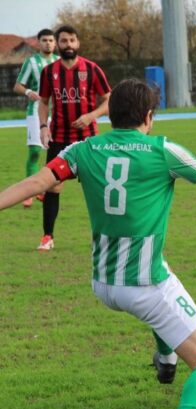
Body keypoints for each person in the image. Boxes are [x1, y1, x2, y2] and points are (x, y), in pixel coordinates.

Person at [0, 78, 196, 409]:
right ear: (149, 117)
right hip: (144, 285)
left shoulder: (83, 149)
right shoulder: (163, 150)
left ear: (110, 115)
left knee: (168, 283)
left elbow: (37, 182)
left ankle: (166, 358)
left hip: (103, 282)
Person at [36, 24, 111, 251]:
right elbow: (43, 102)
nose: (68, 44)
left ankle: (105, 236)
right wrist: (43, 126)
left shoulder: (92, 69)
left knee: (98, 187)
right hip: (58, 139)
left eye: (72, 40)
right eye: (64, 41)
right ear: (58, 44)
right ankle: (47, 237)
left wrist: (91, 116)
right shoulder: (49, 72)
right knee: (52, 187)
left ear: (77, 43)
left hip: (88, 139)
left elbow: (109, 99)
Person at [13, 28, 58, 208]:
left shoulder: (60, 62)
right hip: (35, 112)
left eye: (51, 40)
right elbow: (18, 86)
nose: (48, 43)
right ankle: (29, 193)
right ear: (39, 43)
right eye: (44, 40)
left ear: (55, 43)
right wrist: (29, 92)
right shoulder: (31, 62)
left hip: (57, 114)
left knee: (54, 154)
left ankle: (45, 190)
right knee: (34, 152)